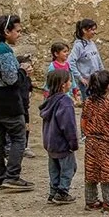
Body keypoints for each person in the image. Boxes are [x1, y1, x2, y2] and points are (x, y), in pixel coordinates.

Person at [0, 15, 34, 191]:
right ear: (7, 31)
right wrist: (23, 71)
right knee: (18, 136)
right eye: (17, 31)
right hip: (7, 101)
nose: (19, 35)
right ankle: (12, 176)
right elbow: (11, 79)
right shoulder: (5, 51)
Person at [81, 70, 109, 212]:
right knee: (107, 173)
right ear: (108, 87)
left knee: (91, 171)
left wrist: (88, 133)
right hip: (107, 143)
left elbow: (83, 122)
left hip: (91, 142)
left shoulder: (88, 102)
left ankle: (91, 201)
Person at [39, 69, 79, 204]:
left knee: (54, 168)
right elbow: (68, 126)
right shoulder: (65, 102)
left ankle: (53, 192)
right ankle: (62, 192)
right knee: (69, 168)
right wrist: (73, 143)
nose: (71, 83)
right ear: (63, 84)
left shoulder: (49, 101)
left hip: (50, 142)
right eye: (69, 80)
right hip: (62, 143)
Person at [68, 19, 104, 101]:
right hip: (86, 83)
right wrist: (80, 78)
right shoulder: (79, 45)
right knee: (88, 107)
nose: (94, 32)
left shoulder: (92, 43)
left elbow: (98, 60)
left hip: (96, 80)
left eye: (95, 29)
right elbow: (70, 62)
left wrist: (103, 74)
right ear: (84, 30)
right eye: (92, 30)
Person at [16, 55, 35, 158]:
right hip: (19, 107)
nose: (31, 69)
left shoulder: (27, 79)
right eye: (28, 67)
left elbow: (30, 89)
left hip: (25, 107)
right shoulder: (19, 79)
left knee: (26, 127)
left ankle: (25, 146)